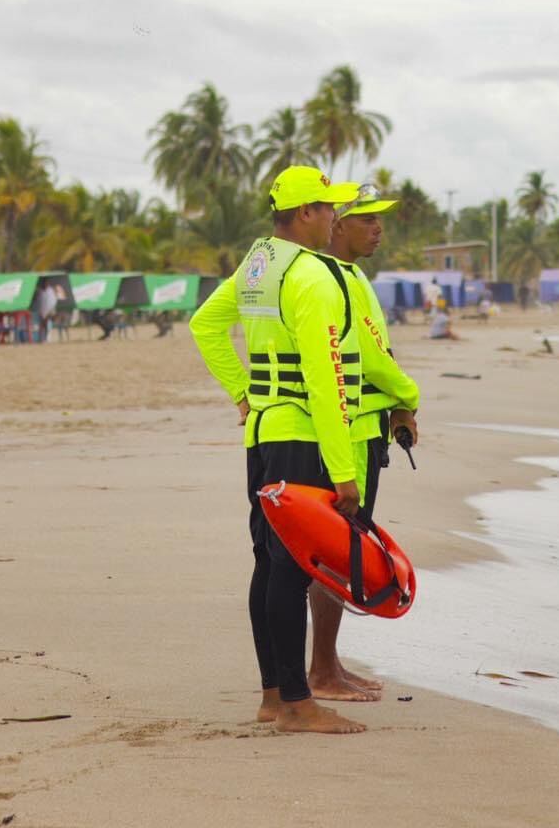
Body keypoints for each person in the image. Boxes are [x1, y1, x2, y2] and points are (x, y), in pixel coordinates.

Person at [189, 166, 366, 735]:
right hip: (301, 439)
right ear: (307, 213)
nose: (335, 217)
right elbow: (327, 381)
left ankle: (273, 695)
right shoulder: (311, 277)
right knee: (293, 568)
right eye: (329, 208)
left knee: (269, 563)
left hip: (262, 435)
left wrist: (245, 393)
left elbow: (205, 325)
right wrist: (344, 474)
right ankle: (296, 703)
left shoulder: (259, 263)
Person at [312, 182, 422, 701]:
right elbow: (375, 358)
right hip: (348, 434)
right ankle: (321, 670)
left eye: (381, 220)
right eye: (367, 220)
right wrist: (409, 394)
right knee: (336, 551)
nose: (378, 229)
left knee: (338, 550)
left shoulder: (351, 275)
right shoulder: (336, 278)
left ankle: (328, 661)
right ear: (337, 224)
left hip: (363, 426)